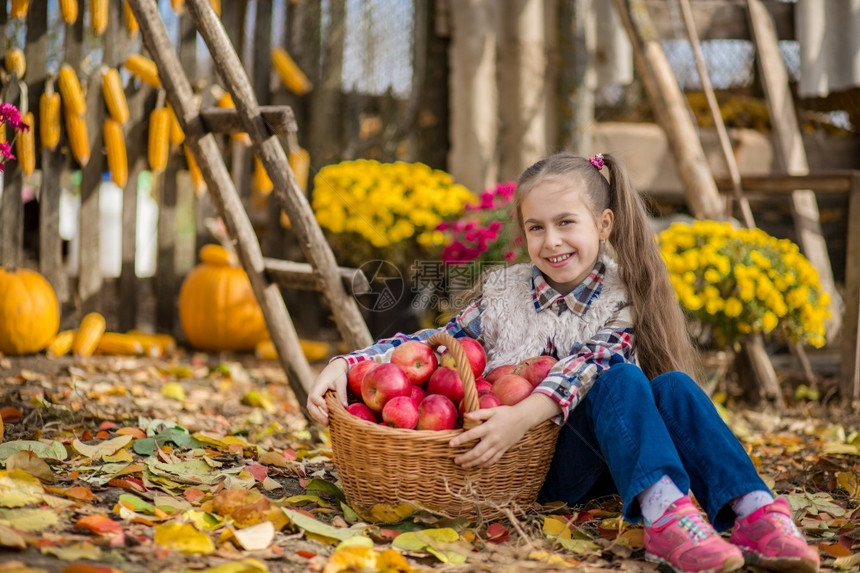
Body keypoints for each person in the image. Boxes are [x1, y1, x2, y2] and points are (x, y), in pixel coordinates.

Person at [308, 152, 820, 573]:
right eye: (536, 227)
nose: (550, 241)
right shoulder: (505, 290)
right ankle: (668, 515)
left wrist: (520, 414)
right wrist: (349, 361)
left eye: (566, 223)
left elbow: (588, 363)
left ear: (604, 224)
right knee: (622, 379)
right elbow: (434, 341)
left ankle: (751, 512)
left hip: (588, 454)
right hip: (534, 467)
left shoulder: (622, 297)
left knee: (670, 388)